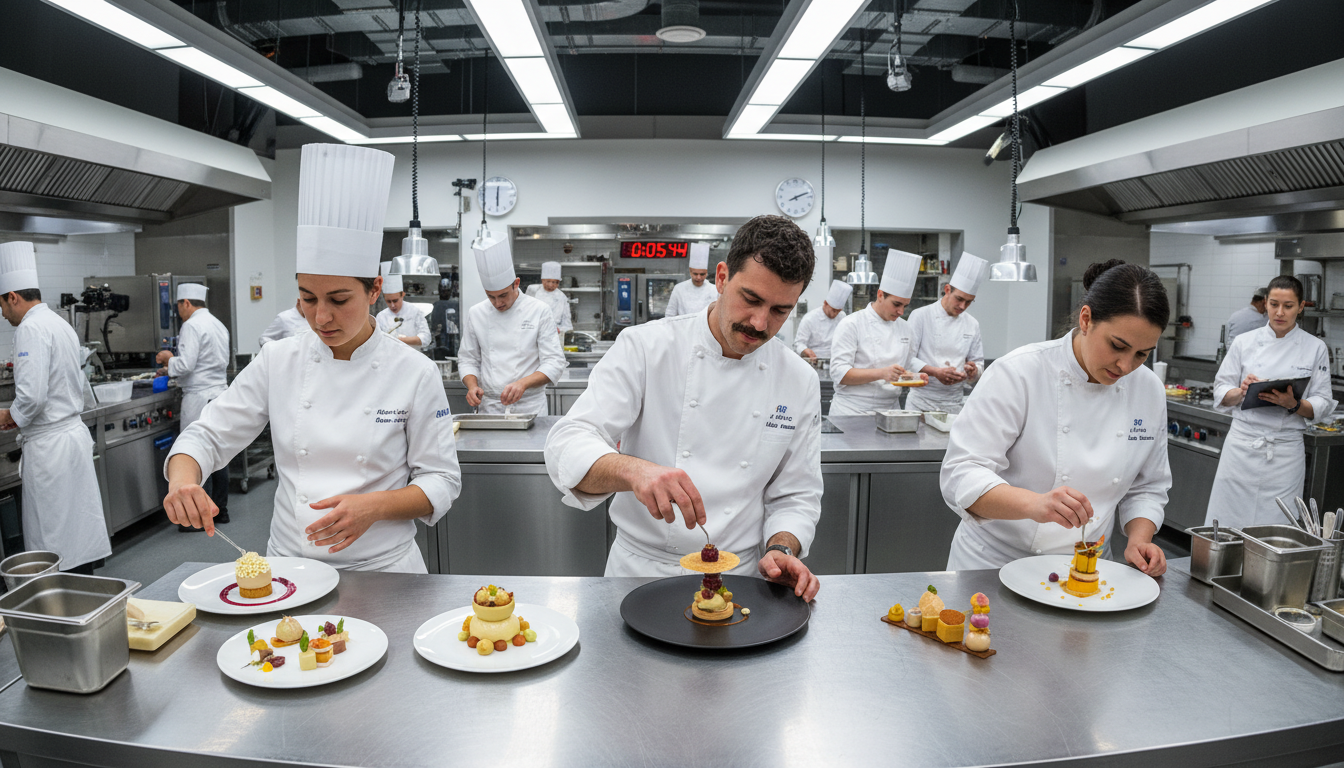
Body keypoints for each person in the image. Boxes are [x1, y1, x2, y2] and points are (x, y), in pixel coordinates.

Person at [162, 144, 461, 573]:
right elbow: (207, 435)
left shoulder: (414, 370)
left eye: (339, 300)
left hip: (384, 571)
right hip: (290, 569)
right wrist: (183, 481)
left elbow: (442, 479)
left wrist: (375, 507)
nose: (321, 317)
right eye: (308, 298)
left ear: (375, 290)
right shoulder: (278, 359)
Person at [544, 215, 821, 601]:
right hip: (639, 575)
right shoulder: (645, 348)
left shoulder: (798, 379)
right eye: (751, 299)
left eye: (780, 310)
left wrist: (782, 548)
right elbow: (567, 442)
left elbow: (796, 495)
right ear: (722, 278)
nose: (760, 323)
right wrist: (633, 470)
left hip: (740, 580)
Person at [940, 259, 1172, 576]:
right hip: (994, 564)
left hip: (1088, 568)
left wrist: (1139, 539)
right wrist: (1034, 504)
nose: (1125, 366)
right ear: (1086, 319)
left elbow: (1147, 487)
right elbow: (961, 474)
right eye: (1118, 346)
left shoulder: (1148, 390)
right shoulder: (1020, 373)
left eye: (1142, 354)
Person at [0, 241, 109, 574]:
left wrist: (9, 416)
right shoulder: (58, 322)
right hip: (70, 438)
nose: (3, 314)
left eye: (2, 305)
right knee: (76, 530)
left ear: (13, 297)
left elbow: (32, 397)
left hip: (51, 449)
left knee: (56, 536)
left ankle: (65, 605)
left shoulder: (31, 328)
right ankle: (84, 594)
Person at [1205, 275, 1336, 528]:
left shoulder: (1315, 347)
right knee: (1228, 520)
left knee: (1277, 523)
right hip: (1242, 447)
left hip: (1284, 454)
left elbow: (1322, 401)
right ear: (1265, 303)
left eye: (1288, 306)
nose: (1279, 312)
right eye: (1274, 304)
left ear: (1300, 307)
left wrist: (1293, 404)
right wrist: (1242, 390)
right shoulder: (1244, 342)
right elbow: (1221, 390)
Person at [459, 229, 567, 415]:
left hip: (530, 407)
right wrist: (472, 386)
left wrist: (522, 384)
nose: (498, 303)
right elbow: (468, 359)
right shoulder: (476, 313)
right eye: (491, 297)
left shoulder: (539, 310)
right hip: (490, 408)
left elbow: (554, 362)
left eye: (503, 295)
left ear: (516, 283)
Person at [156, 283, 231, 529]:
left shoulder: (191, 325)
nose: (178, 312)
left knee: (197, 452)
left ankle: (197, 516)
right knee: (219, 453)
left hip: (199, 397)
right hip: (219, 393)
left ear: (186, 303)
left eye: (178, 306)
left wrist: (169, 361)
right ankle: (220, 510)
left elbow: (186, 365)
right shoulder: (217, 323)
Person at [827, 251, 928, 415]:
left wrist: (914, 378)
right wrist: (882, 373)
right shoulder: (851, 324)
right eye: (896, 304)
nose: (901, 311)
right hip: (852, 411)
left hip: (891, 412)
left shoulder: (906, 329)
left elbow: (903, 370)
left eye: (905, 306)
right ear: (880, 295)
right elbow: (840, 373)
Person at [906, 254, 988, 414]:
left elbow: (978, 363)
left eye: (969, 301)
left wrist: (973, 371)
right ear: (947, 290)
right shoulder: (920, 315)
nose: (963, 306)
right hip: (921, 402)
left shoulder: (972, 323)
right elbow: (907, 358)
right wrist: (936, 372)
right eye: (959, 299)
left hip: (954, 404)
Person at [375, 263, 431, 347]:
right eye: (389, 301)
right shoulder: (381, 317)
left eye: (395, 300)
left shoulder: (414, 311)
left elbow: (426, 338)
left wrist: (403, 340)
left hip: (411, 357)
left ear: (403, 295)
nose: (392, 305)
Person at [793, 279, 852, 360]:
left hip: (835, 360)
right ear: (825, 303)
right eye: (833, 310)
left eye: (838, 311)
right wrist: (805, 350)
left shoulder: (842, 317)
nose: (835, 314)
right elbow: (799, 343)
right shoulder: (809, 319)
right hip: (815, 360)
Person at [664, 242, 717, 317]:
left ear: (707, 273)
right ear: (690, 271)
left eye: (702, 274)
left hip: (705, 328)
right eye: (695, 274)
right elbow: (670, 314)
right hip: (683, 328)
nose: (698, 277)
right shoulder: (679, 289)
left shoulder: (714, 290)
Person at [525, 261, 573, 337]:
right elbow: (525, 313)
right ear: (542, 280)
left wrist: (560, 329)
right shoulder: (533, 291)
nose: (551, 285)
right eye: (548, 281)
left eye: (555, 282)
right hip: (533, 333)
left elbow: (567, 323)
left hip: (554, 335)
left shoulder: (562, 297)